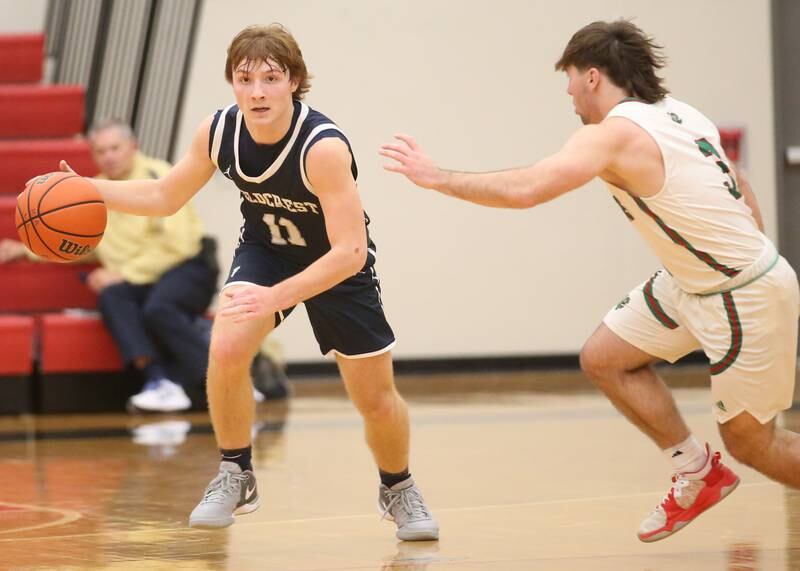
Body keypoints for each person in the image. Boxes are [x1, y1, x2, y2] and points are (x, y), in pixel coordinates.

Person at [381, 19, 800, 543]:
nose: (569, 92)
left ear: (595, 77)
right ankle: (696, 471)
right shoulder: (678, 113)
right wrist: (746, 248)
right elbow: (737, 180)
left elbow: (529, 188)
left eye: (572, 79)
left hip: (741, 295)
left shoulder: (613, 134)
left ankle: (713, 464)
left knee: (753, 443)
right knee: (605, 358)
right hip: (696, 281)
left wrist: (436, 176)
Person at [48, 24, 438, 540]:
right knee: (227, 346)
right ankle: (235, 471)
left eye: (271, 78)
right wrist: (86, 188)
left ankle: (399, 487)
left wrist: (273, 299)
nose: (257, 91)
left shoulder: (322, 147)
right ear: (231, 82)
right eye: (244, 78)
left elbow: (350, 251)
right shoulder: (219, 131)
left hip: (335, 265)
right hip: (266, 251)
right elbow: (165, 196)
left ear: (294, 81)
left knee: (374, 399)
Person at [2, 120, 287, 411]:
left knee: (158, 308)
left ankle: (231, 382)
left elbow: (178, 246)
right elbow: (85, 242)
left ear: (133, 147)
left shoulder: (158, 175)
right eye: (101, 151)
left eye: (114, 148)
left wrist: (123, 273)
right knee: (111, 296)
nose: (108, 156)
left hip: (188, 266)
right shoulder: (94, 190)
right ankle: (159, 382)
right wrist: (27, 249)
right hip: (142, 278)